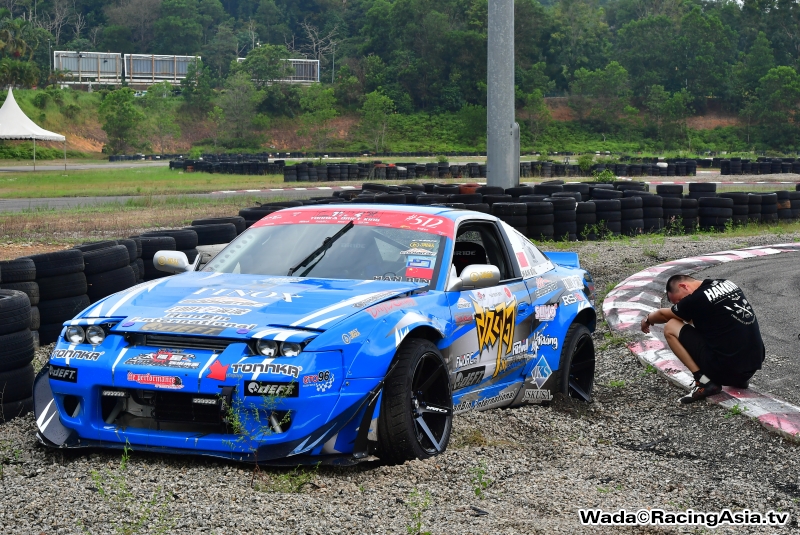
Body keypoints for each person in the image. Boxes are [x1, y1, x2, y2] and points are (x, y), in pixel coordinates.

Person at [640, 274, 765, 404]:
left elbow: (662, 314)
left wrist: (647, 319)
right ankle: (739, 379)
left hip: (728, 372)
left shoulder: (695, 299)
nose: (680, 304)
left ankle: (704, 382)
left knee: (671, 326)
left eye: (679, 300)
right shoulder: (727, 283)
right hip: (752, 366)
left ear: (683, 286)